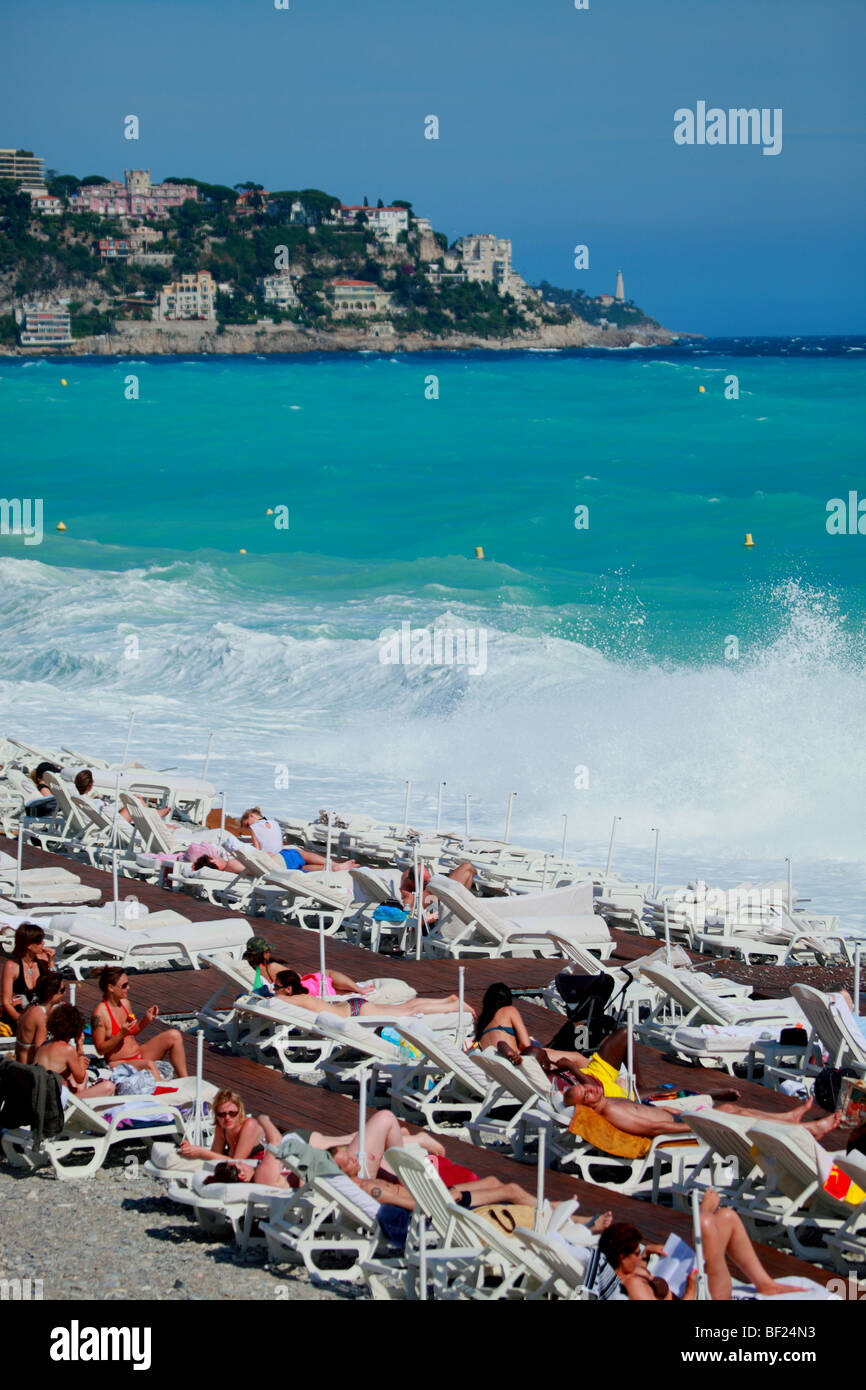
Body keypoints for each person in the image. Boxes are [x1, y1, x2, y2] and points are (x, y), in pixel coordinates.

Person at [598, 1191, 801, 1300]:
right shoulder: (633, 1285)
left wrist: (648, 1251)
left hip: (691, 1288)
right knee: (706, 1222)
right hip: (705, 1297)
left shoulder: (624, 1272)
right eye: (636, 1252)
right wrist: (691, 1290)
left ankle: (765, 1284)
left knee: (726, 1217)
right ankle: (703, 1211)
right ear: (622, 1257)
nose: (641, 1255)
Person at [563, 1074, 842, 1140]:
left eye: (584, 1085)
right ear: (587, 1106)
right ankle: (807, 1129)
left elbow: (653, 1115)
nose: (590, 1088)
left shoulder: (606, 1101)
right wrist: (693, 1125)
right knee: (732, 1114)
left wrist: (678, 1112)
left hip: (679, 1118)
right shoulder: (612, 1111)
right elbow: (654, 1126)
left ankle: (789, 1117)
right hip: (684, 1129)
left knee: (731, 1110)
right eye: (585, 1093)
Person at [473, 982, 632, 1095]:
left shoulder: (484, 1025)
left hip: (506, 1066)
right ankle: (608, 1082)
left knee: (553, 1051)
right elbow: (525, 1045)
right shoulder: (508, 1010)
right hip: (523, 1061)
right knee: (576, 1057)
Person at [91, 967, 188, 1079]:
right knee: (149, 1065)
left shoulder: (125, 1003)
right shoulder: (100, 1014)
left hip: (139, 1053)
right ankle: (161, 1093)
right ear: (111, 987)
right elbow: (100, 1049)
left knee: (174, 1035)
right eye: (124, 985)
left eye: (128, 984)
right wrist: (121, 1034)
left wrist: (146, 1019)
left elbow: (133, 1031)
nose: (128, 988)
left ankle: (185, 1081)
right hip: (120, 1062)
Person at [272, 969, 469, 1021]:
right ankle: (447, 1001)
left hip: (357, 1012)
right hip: (354, 1006)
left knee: (408, 1012)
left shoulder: (297, 999)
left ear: (288, 990)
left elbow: (275, 1000)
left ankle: (452, 1007)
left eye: (276, 986)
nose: (274, 989)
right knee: (406, 1007)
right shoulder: (302, 997)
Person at [242, 936, 373, 998]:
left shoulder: (255, 970)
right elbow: (296, 978)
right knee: (327, 974)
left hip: (290, 992)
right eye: (268, 951)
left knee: (331, 987)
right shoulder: (272, 967)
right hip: (301, 989)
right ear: (264, 954)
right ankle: (358, 989)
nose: (270, 953)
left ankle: (352, 992)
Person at [34, 1004, 116, 1102]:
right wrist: (80, 1046)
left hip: (40, 1097)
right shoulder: (67, 1049)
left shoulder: (44, 1045)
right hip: (55, 1103)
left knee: (78, 1079)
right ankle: (80, 1110)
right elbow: (80, 1078)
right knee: (109, 1086)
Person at [238, 808, 358, 872]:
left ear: (252, 816)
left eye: (247, 824)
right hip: (286, 854)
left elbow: (258, 851)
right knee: (302, 861)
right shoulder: (274, 823)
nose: (249, 828)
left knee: (301, 869)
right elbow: (279, 845)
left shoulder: (255, 827)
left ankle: (334, 868)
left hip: (278, 861)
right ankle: (335, 865)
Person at [179, 1088, 267, 1163]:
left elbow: (237, 1163)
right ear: (217, 1115)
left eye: (232, 1113)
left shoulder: (250, 1125)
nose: (227, 1118)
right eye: (222, 1114)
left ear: (240, 1112)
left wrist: (201, 1152)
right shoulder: (222, 1127)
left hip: (260, 1170)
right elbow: (214, 1157)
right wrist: (191, 1149)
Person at [1, 923, 56, 1031]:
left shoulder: (43, 961)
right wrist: (22, 1021)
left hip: (39, 1014)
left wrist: (51, 963)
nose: (43, 943)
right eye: (39, 941)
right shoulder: (12, 966)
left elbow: (57, 990)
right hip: (18, 1016)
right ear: (28, 945)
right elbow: (6, 1002)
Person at [15, 971, 66, 1064]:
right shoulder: (41, 1017)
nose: (64, 993)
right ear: (51, 994)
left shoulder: (32, 1007)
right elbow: (40, 1052)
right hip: (28, 1071)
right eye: (62, 990)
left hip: (20, 1065)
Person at [400, 861, 475, 923]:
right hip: (440, 900)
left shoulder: (409, 873)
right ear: (412, 882)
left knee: (468, 868)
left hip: (440, 893)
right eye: (425, 883)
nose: (426, 884)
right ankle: (463, 905)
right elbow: (409, 910)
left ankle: (464, 902)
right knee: (467, 868)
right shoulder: (407, 892)